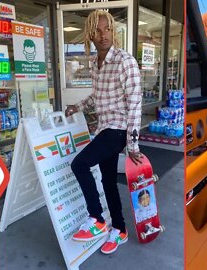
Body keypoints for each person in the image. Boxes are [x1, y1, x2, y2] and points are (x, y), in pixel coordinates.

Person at [65, 10, 143, 255]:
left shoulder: (125, 61)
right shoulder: (94, 64)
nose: (103, 35)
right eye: (97, 31)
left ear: (114, 31)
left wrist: (133, 144)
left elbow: (135, 103)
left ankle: (96, 219)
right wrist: (77, 106)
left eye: (107, 29)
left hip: (117, 130)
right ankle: (120, 229)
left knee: (79, 164)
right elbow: (97, 96)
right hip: (104, 128)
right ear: (90, 34)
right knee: (109, 181)